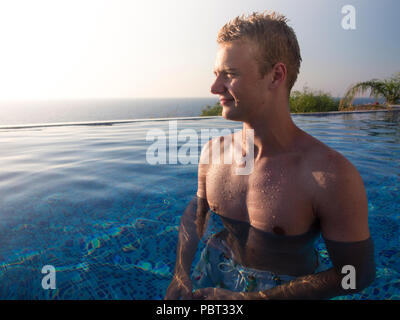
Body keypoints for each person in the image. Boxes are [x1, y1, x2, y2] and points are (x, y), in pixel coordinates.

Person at [165, 11, 375, 300]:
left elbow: (357, 275)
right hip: (215, 269)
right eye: (216, 75)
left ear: (275, 76)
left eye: (230, 75)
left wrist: (250, 300)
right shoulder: (213, 153)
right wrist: (181, 271)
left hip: (285, 291)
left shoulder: (330, 176)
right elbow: (196, 213)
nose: (214, 88)